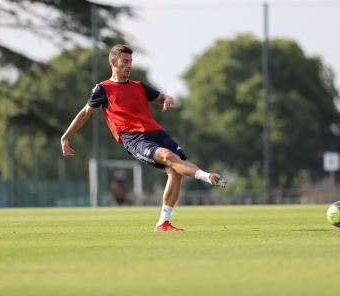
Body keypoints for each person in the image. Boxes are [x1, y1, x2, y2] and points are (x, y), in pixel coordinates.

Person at [61, 44, 227, 231]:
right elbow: (85, 113)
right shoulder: (103, 89)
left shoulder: (138, 86)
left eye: (131, 61)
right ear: (113, 61)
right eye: (125, 61)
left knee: (175, 170)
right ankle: (208, 176)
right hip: (134, 138)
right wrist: (65, 137)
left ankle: (163, 222)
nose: (129, 65)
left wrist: (167, 99)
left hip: (157, 132)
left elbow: (160, 97)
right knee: (168, 157)